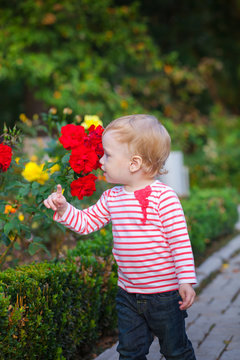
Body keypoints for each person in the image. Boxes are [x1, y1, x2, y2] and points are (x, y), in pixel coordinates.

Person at [44, 114, 197, 360]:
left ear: (134, 163)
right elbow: (86, 223)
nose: (101, 160)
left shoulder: (164, 198)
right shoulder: (111, 198)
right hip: (128, 294)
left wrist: (186, 280)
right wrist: (63, 209)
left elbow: (179, 242)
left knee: (176, 351)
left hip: (165, 296)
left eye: (108, 155)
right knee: (129, 352)